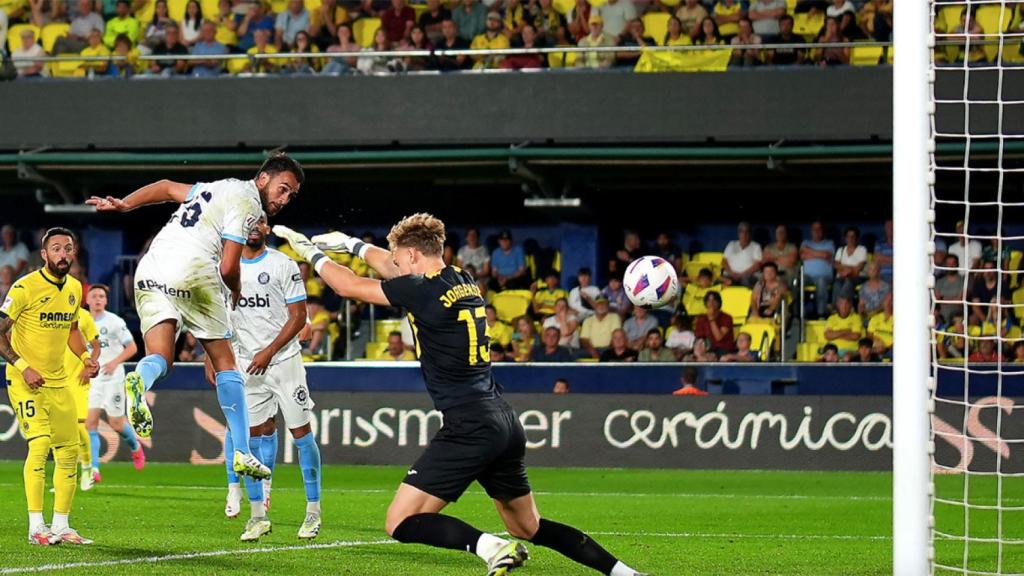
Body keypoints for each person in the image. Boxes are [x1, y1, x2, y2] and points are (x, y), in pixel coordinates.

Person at [275, 216, 648, 576]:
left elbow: (349, 287)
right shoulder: (464, 280)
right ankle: (624, 572)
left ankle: (490, 548)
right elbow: (390, 267)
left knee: (400, 520)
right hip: (503, 420)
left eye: (400, 257)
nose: (396, 263)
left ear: (413, 256)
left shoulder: (421, 290)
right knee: (528, 526)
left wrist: (311, 254)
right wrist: (353, 245)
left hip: (468, 424)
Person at [86, 154, 306, 484]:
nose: (284, 199)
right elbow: (229, 267)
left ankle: (140, 381)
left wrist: (124, 205)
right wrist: (235, 290)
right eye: (283, 189)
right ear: (263, 179)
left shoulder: (216, 187)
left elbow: (164, 187)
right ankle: (243, 452)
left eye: (291, 195)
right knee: (225, 363)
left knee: (161, 356)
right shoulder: (248, 202)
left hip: (151, 266)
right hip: (193, 270)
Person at [212, 216, 322, 542]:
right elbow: (217, 315)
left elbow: (299, 316)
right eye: (248, 222)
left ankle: (313, 511)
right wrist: (211, 356)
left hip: (284, 361)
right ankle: (258, 516)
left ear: (267, 229)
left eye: (259, 222)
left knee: (302, 436)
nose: (253, 227)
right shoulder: (225, 267)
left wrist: (270, 351)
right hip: (246, 363)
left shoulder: (282, 264)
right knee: (249, 440)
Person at [0, 228, 98, 545]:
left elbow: (71, 330)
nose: (63, 253)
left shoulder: (73, 288)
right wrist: (22, 366)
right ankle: (35, 527)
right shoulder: (25, 287)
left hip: (59, 381)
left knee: (68, 451)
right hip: (25, 379)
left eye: (68, 248)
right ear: (44, 255)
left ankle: (61, 525)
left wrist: (84, 356)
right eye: (55, 248)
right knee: (40, 444)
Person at [83, 284, 144, 487]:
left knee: (116, 423)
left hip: (114, 377)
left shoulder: (115, 322)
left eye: (102, 296)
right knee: (90, 422)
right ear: (88, 300)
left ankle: (135, 446)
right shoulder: (82, 322)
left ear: (106, 301)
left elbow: (133, 347)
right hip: (94, 379)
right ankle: (95, 469)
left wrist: (114, 362)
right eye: (94, 296)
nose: (98, 299)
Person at [64, 305, 101, 491]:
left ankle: (87, 468)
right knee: (60, 430)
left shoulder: (83, 316)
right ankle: (66, 475)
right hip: (55, 377)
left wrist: (89, 366)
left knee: (79, 426)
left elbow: (96, 345)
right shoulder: (49, 310)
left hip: (77, 377)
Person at [799, 220, 835, 319]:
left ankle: (821, 314)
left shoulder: (829, 243)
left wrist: (809, 252)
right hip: (807, 277)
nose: (817, 231)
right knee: (798, 281)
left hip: (824, 277)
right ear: (811, 231)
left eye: (819, 229)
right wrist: (821, 255)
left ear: (823, 231)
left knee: (821, 281)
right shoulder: (805, 242)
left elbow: (827, 255)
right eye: (814, 229)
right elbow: (802, 256)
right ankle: (799, 313)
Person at [694, 291, 735, 356]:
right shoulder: (701, 318)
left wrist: (711, 319)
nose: (711, 303)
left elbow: (718, 337)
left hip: (723, 348)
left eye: (714, 300)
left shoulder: (727, 318)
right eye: (709, 301)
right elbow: (699, 336)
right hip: (707, 347)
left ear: (719, 302)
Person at [722, 222, 762, 287]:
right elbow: (724, 262)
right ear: (738, 233)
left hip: (748, 276)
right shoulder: (731, 244)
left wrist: (741, 275)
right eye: (742, 231)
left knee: (747, 281)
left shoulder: (756, 246)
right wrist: (732, 274)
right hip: (730, 275)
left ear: (750, 233)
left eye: (747, 231)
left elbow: (758, 265)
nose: (744, 234)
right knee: (719, 281)